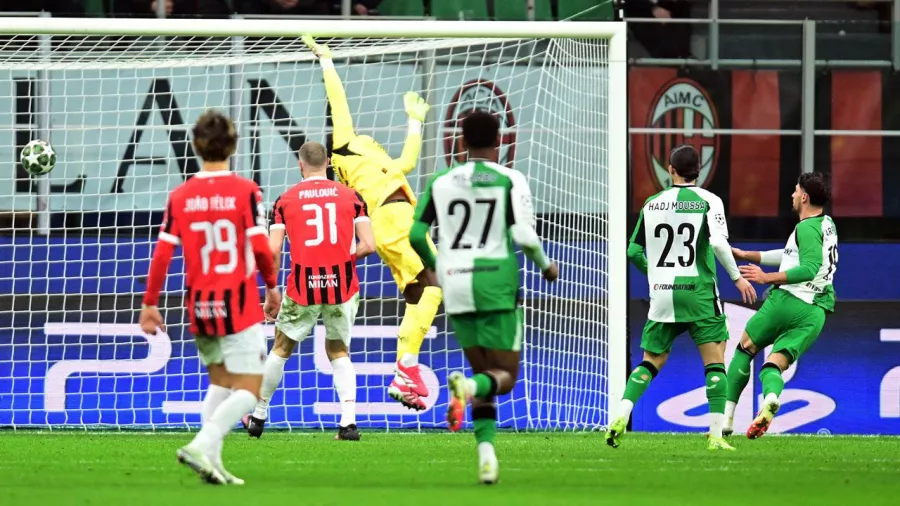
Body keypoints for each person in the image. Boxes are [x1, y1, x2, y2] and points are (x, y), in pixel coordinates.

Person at [409, 110, 558, 484]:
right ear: (500, 141)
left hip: (456, 283)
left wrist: (434, 266)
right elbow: (523, 235)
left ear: (461, 142)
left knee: (485, 373)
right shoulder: (509, 179)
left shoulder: (441, 181)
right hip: (496, 284)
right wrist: (545, 265)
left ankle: (487, 458)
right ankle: (469, 389)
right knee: (504, 377)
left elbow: (415, 235)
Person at [139, 109, 281, 485]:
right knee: (250, 390)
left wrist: (149, 303)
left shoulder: (180, 196)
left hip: (199, 303)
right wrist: (271, 285)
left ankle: (211, 465)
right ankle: (202, 444)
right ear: (233, 145)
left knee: (220, 382)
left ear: (196, 146)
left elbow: (162, 253)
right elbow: (261, 249)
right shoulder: (245, 191)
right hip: (236, 300)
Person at [303, 34, 441, 411]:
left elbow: (408, 163)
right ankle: (405, 366)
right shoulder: (345, 145)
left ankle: (403, 374)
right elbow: (339, 101)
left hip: (396, 220)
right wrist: (326, 61)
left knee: (417, 294)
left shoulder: (377, 158)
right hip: (393, 219)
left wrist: (414, 123)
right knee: (437, 285)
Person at [607, 144, 757, 452]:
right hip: (699, 292)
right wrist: (737, 277)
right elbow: (717, 244)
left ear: (670, 170)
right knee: (715, 360)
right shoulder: (708, 201)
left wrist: (655, 273)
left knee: (652, 360)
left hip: (662, 294)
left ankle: (621, 413)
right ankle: (715, 435)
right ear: (698, 171)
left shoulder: (652, 204)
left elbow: (633, 251)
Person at [241, 142, 376, 441]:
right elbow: (369, 244)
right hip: (342, 286)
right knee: (339, 351)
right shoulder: (352, 197)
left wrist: (271, 290)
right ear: (328, 162)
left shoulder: (285, 201)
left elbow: (273, 249)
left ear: (300, 165)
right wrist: (340, 258)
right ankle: (348, 423)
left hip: (303, 287)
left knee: (281, 349)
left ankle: (258, 417)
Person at [726, 172, 837, 439]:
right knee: (773, 366)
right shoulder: (826, 224)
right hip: (815, 312)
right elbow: (791, 256)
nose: (792, 195)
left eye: (796, 190)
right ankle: (771, 400)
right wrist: (749, 254)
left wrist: (766, 278)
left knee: (746, 347)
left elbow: (808, 268)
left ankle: (725, 420)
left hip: (788, 300)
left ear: (805, 197)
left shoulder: (805, 228)